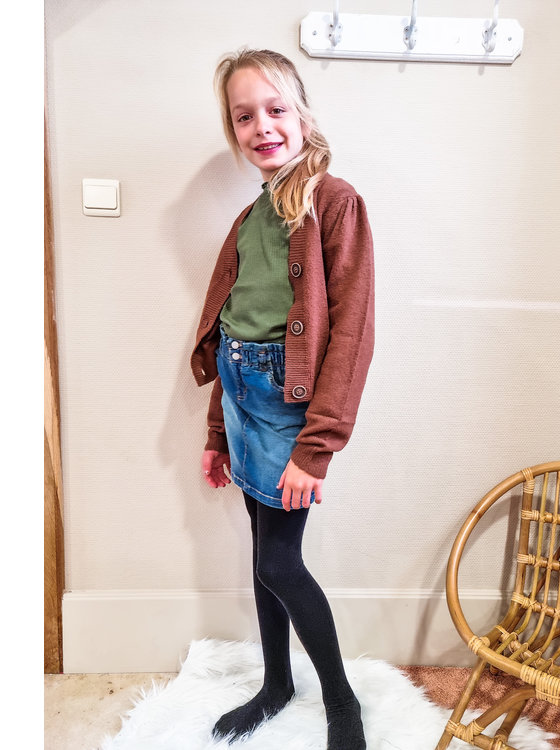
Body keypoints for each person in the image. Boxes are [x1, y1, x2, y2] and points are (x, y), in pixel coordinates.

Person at [190, 48, 374, 750]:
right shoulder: (249, 218)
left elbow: (352, 334)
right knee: (263, 552)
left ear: (302, 115)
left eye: (274, 109)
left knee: (278, 562)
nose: (261, 126)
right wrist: (217, 432)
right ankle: (275, 684)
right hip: (241, 396)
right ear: (233, 129)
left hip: (286, 409)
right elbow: (229, 328)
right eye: (244, 116)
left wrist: (315, 448)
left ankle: (342, 702)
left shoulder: (334, 202)